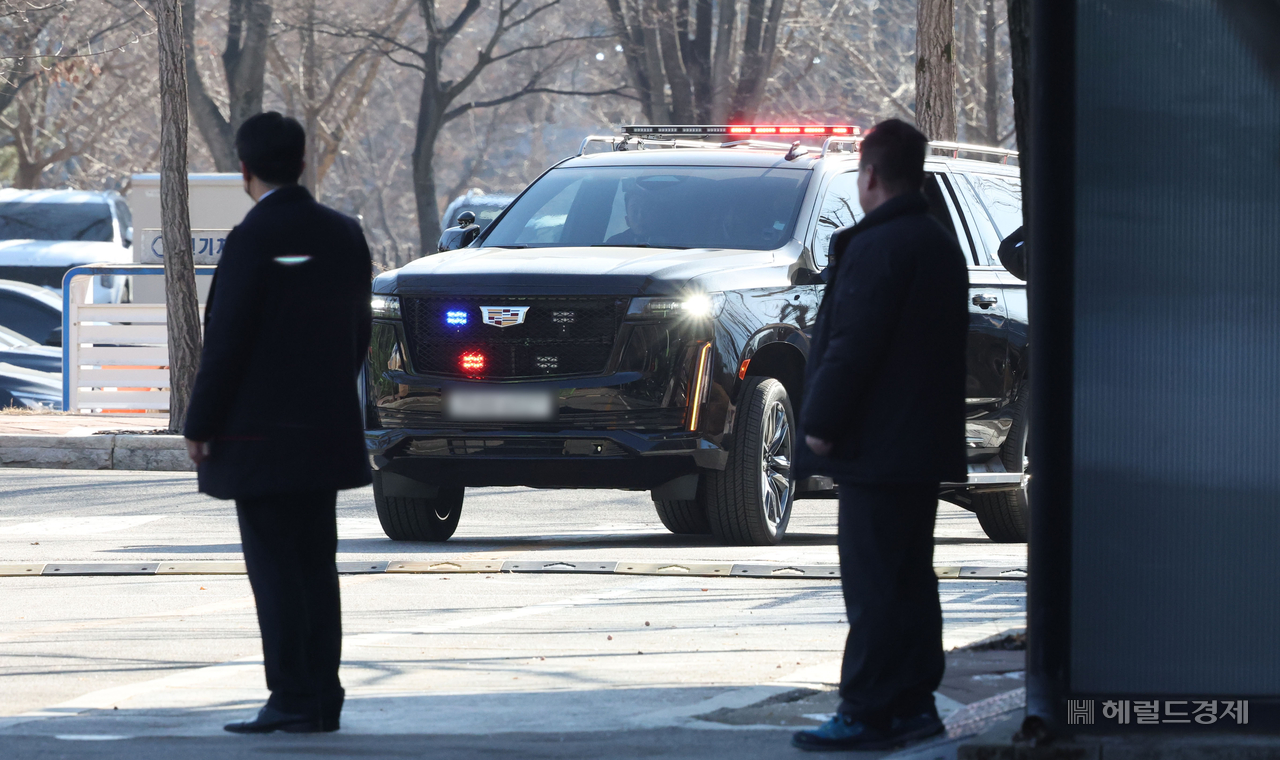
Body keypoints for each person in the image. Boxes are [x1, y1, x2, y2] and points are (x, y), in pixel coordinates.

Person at [183, 111, 373, 734]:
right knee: (317, 567)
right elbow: (358, 335)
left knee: (275, 572)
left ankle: (290, 695)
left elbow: (226, 341)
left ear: (244, 168)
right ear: (302, 160)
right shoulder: (346, 234)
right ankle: (322, 696)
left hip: (259, 437)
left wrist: (200, 423)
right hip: (324, 430)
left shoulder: (253, 238)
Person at [791, 119, 968, 752]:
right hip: (918, 445)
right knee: (909, 580)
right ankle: (914, 703)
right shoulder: (935, 242)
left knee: (873, 588)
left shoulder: (879, 247)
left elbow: (851, 347)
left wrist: (819, 425)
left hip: (877, 446)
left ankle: (865, 711)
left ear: (869, 175)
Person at [605, 180, 658, 245]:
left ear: (654, 216)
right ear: (627, 220)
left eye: (645, 210)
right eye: (634, 211)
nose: (640, 216)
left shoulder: (671, 240)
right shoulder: (613, 244)